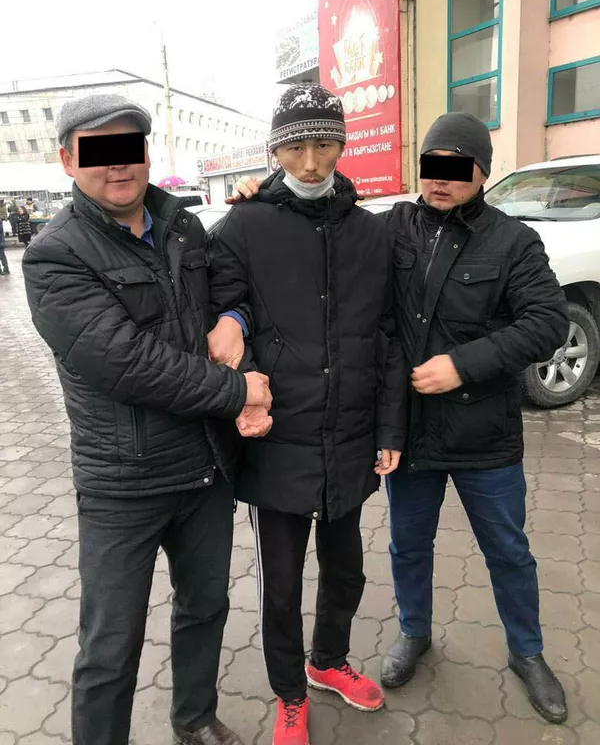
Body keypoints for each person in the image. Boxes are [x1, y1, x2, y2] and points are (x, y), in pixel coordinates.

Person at [224, 111, 571, 726]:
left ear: (483, 172)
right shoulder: (393, 228)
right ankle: (414, 633)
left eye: (456, 169)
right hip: (410, 433)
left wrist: (463, 365)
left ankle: (528, 652)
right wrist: (266, 189)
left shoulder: (514, 242)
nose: (440, 180)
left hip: (484, 435)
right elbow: (321, 230)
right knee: (409, 547)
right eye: (432, 166)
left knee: (508, 550)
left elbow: (546, 323)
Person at [22, 93, 273, 745]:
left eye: (127, 148)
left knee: (205, 606)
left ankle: (194, 718)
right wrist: (238, 391)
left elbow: (233, 291)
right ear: (67, 161)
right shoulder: (54, 255)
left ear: (146, 154)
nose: (117, 165)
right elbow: (130, 364)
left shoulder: (184, 227)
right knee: (110, 645)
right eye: (98, 152)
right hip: (123, 483)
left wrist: (234, 318)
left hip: (204, 470)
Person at [207, 83, 406, 745]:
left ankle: (329, 661)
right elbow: (224, 308)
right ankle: (290, 694)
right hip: (279, 436)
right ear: (276, 151)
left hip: (349, 436)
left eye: (324, 145)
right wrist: (238, 372)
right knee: (283, 584)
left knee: (346, 569)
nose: (312, 163)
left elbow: (386, 337)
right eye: (296, 149)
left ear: (343, 144)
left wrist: (389, 429)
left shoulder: (372, 234)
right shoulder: (244, 226)